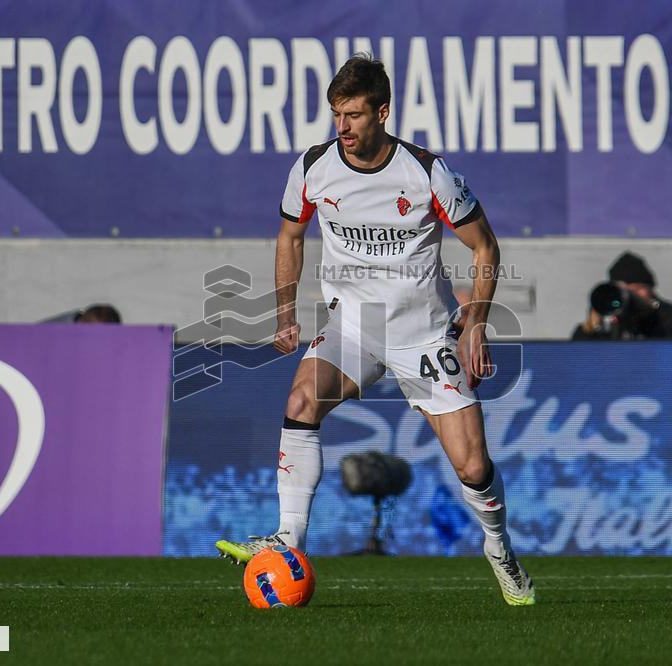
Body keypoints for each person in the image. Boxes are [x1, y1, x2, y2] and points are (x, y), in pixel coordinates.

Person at [215, 54, 534, 606]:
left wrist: (475, 325)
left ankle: (499, 547)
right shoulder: (314, 167)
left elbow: (484, 245)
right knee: (301, 400)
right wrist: (284, 315)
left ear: (383, 113)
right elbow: (291, 237)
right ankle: (288, 539)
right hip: (355, 326)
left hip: (427, 335)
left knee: (474, 465)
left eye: (355, 115)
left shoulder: (426, 172)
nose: (343, 128)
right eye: (337, 114)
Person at [572, 252, 672, 340]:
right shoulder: (610, 325)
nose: (630, 296)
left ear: (650, 290)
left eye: (637, 289)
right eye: (623, 290)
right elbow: (575, 360)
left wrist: (656, 312)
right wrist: (591, 327)